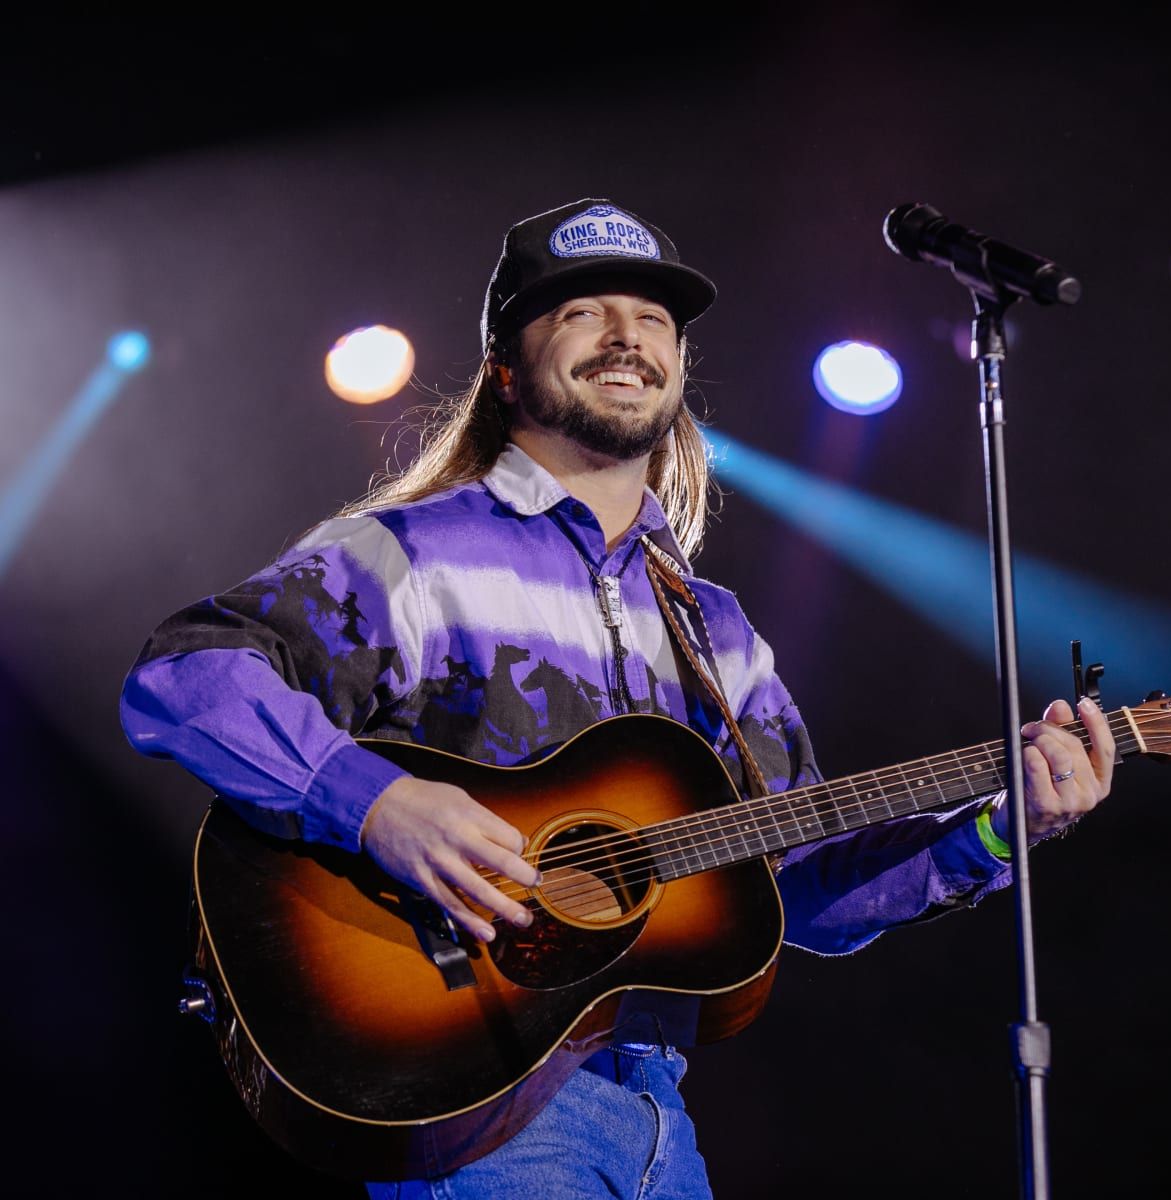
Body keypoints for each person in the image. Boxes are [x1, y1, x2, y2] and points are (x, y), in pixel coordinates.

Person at [119, 197, 1114, 1199]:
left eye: (654, 319)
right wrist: (375, 802)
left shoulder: (716, 630)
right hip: (482, 1110)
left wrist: (998, 831)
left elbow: (802, 889)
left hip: (661, 1118)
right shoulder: (411, 552)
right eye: (582, 311)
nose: (628, 335)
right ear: (506, 366)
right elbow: (183, 676)